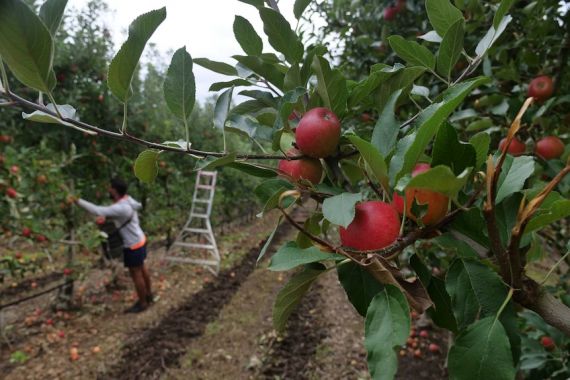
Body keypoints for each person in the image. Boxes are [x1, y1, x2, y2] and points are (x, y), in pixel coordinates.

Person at [74, 177, 152, 313]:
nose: (108, 190)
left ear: (115, 191)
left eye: (110, 188)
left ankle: (143, 303)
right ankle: (149, 294)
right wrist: (109, 216)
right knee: (142, 267)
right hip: (140, 238)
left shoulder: (120, 207)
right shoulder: (128, 200)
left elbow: (97, 210)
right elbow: (132, 208)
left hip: (132, 244)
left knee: (136, 273)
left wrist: (77, 200)